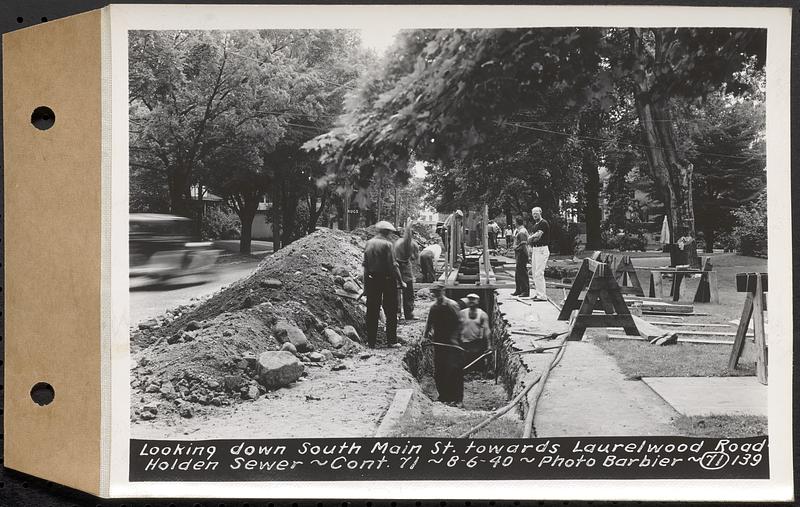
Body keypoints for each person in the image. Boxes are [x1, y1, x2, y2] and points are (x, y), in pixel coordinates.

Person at [363, 221, 405, 348]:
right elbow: (393, 265)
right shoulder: (388, 244)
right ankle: (391, 340)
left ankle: (371, 342)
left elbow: (365, 266)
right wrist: (401, 281)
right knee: (391, 310)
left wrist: (366, 287)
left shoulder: (369, 243)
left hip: (372, 280)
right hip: (387, 280)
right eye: (391, 233)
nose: (392, 235)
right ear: (387, 232)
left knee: (372, 311)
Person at [424, 282, 464, 405]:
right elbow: (429, 323)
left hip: (453, 343)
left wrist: (454, 338)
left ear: (443, 292)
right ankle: (443, 396)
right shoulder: (434, 307)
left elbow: (460, 323)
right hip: (439, 342)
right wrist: (425, 336)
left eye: (438, 292)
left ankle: (457, 399)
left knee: (454, 370)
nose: (436, 295)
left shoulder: (452, 305)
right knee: (440, 370)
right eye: (434, 293)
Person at [394, 217, 419, 320]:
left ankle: (408, 313)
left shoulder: (414, 245)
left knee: (408, 290)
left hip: (405, 264)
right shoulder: (398, 244)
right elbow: (415, 258)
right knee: (397, 290)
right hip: (397, 264)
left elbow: (415, 258)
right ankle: (397, 313)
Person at [460, 293, 491, 372]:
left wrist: (489, 345)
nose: (471, 301)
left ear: (478, 301)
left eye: (473, 299)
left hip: (476, 344)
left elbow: (487, 330)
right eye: (470, 299)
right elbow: (456, 327)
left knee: (478, 368)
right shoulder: (462, 313)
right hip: (464, 345)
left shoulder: (482, 315)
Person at [528, 207, 551, 301]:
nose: (534, 215)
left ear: (540, 213)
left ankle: (542, 296)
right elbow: (533, 238)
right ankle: (538, 293)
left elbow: (538, 236)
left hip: (542, 249)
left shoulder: (543, 223)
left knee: (539, 273)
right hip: (536, 249)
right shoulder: (535, 225)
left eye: (536, 213)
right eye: (533, 213)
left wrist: (530, 238)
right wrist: (531, 239)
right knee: (534, 272)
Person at [511, 217, 530, 297]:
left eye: (514, 222)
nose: (514, 223)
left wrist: (516, 248)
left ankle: (525, 291)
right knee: (518, 273)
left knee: (522, 273)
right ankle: (518, 290)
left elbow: (523, 244)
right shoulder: (519, 231)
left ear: (517, 223)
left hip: (522, 254)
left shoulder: (522, 232)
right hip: (519, 254)